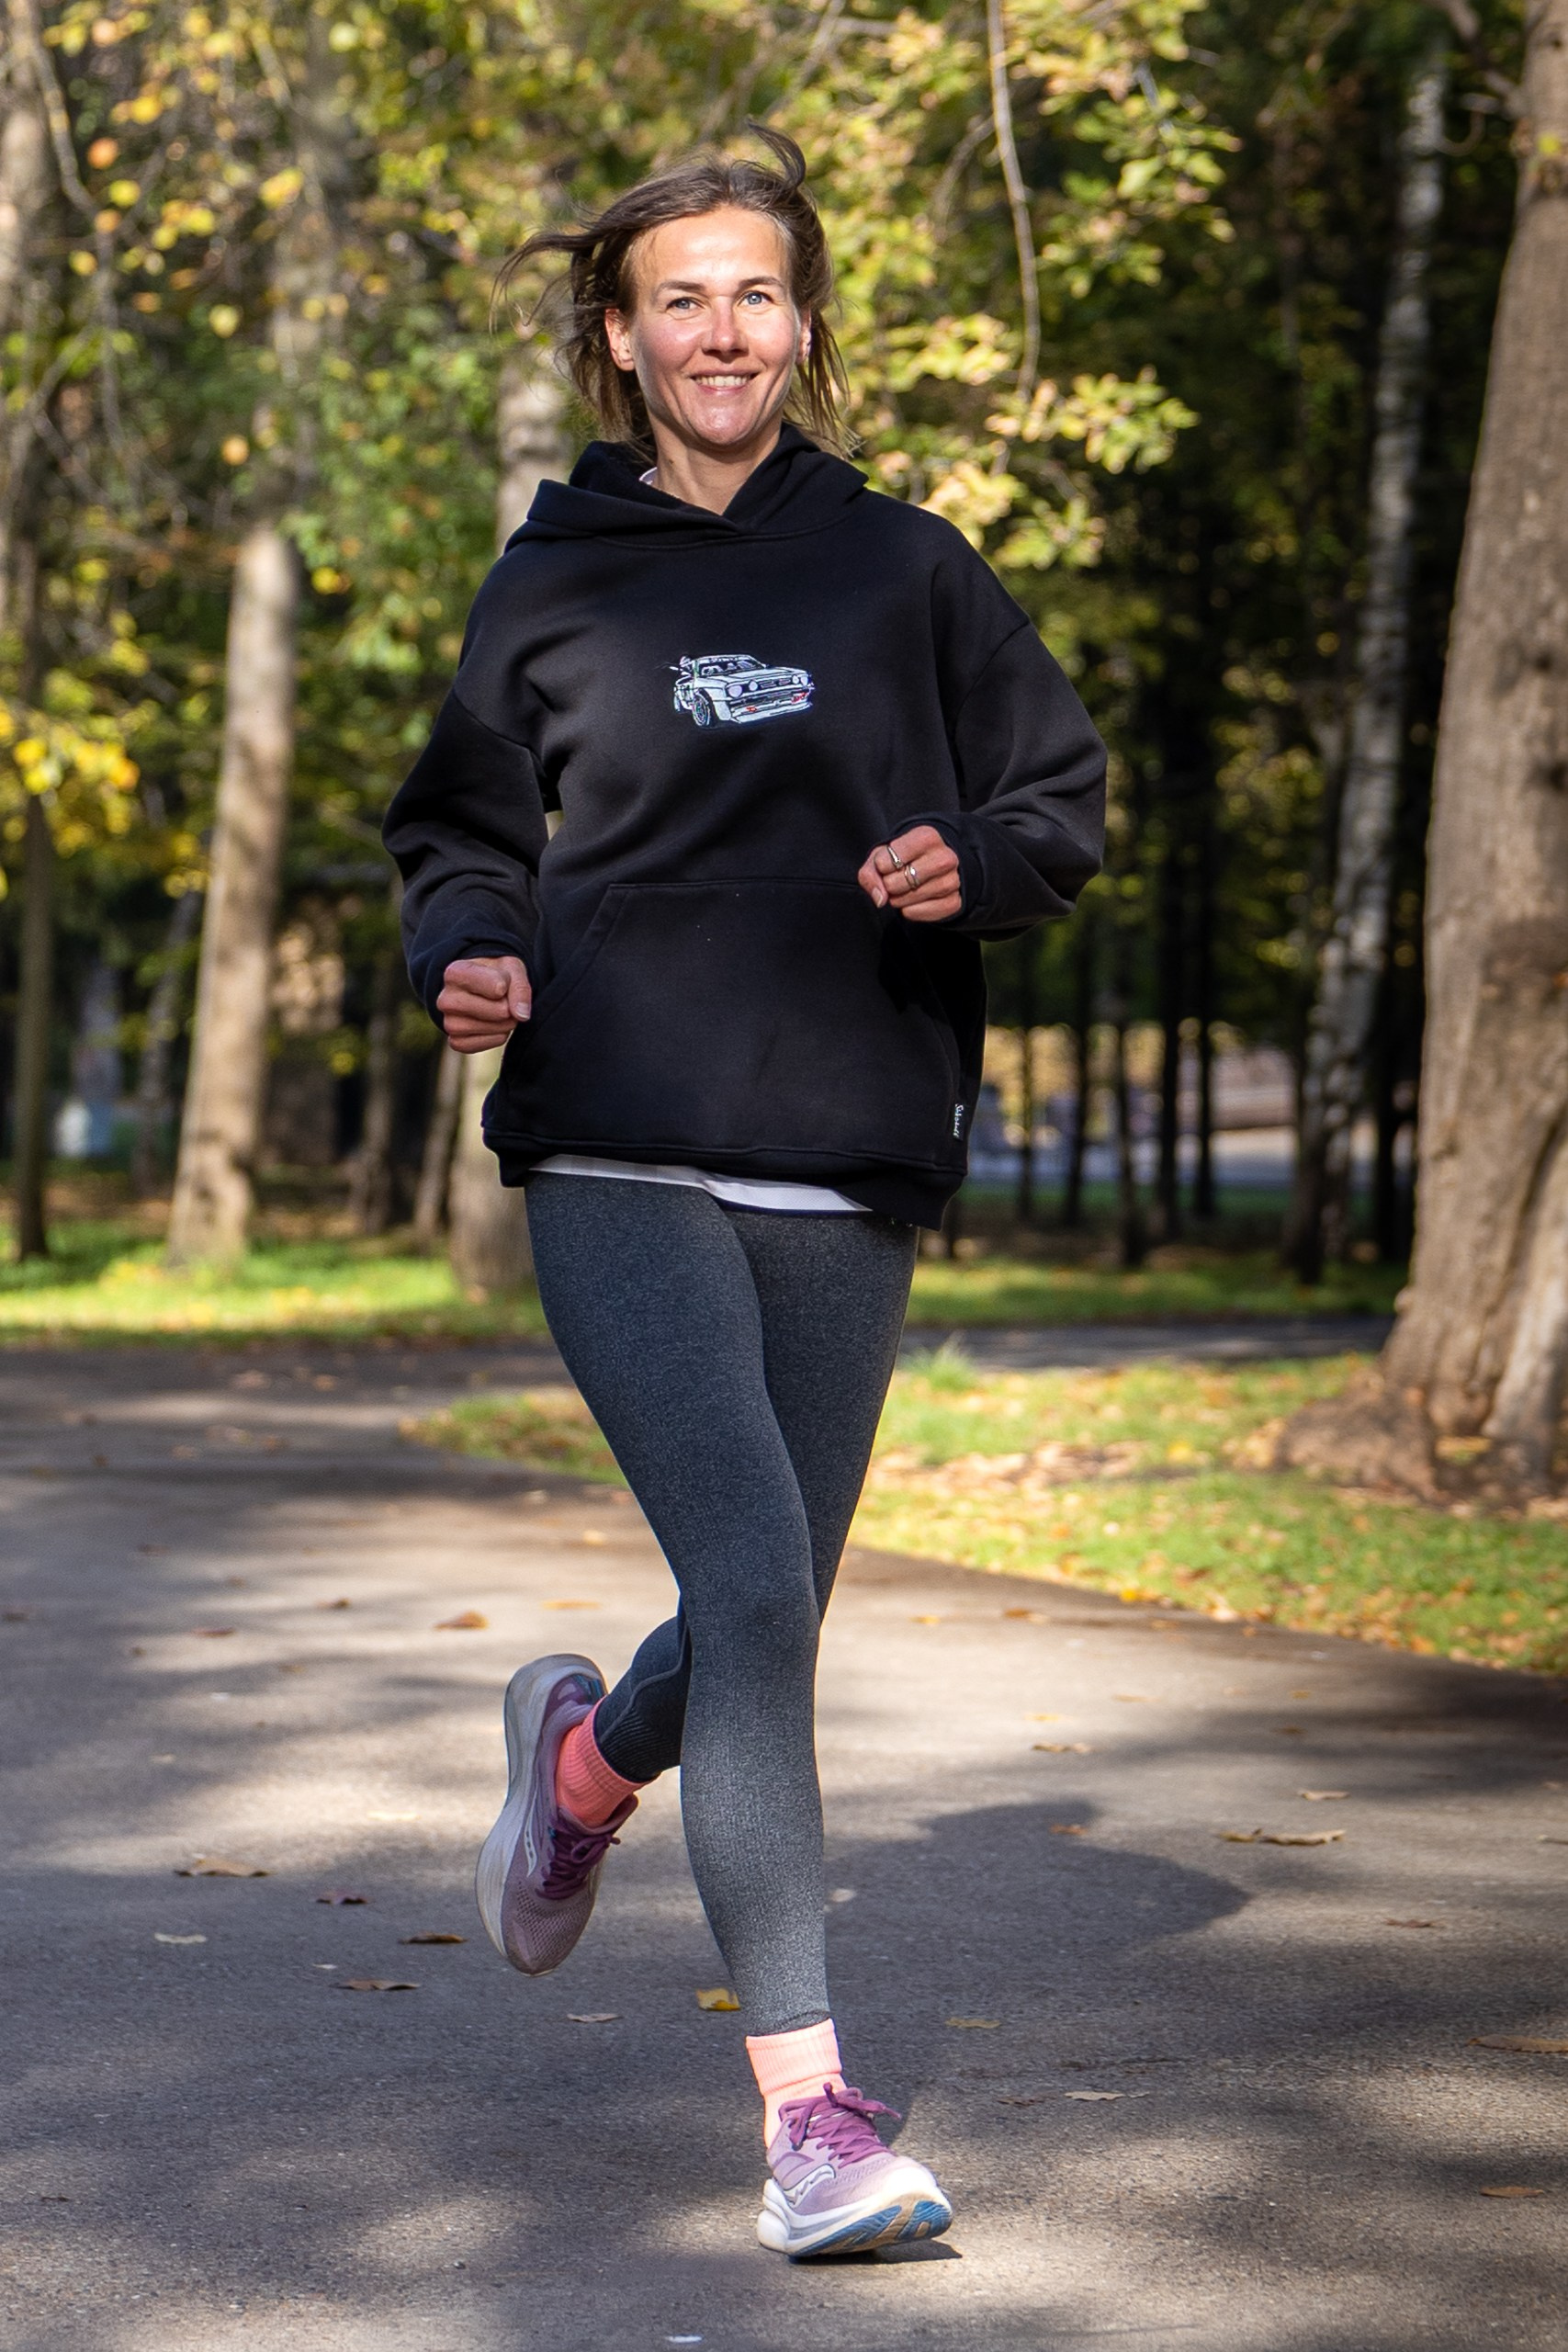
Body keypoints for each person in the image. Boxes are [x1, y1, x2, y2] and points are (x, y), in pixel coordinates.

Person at [383, 125, 1105, 2261]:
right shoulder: (553, 580)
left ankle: (583, 1767)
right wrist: (469, 946)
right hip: (613, 1130)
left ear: (800, 325)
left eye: (756, 294)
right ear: (619, 337)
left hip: (841, 1143)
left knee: (763, 1595)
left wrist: (975, 860)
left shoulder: (906, 569)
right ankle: (811, 2125)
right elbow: (457, 830)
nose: (722, 330)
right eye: (679, 298)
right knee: (763, 1594)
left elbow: (1057, 796)